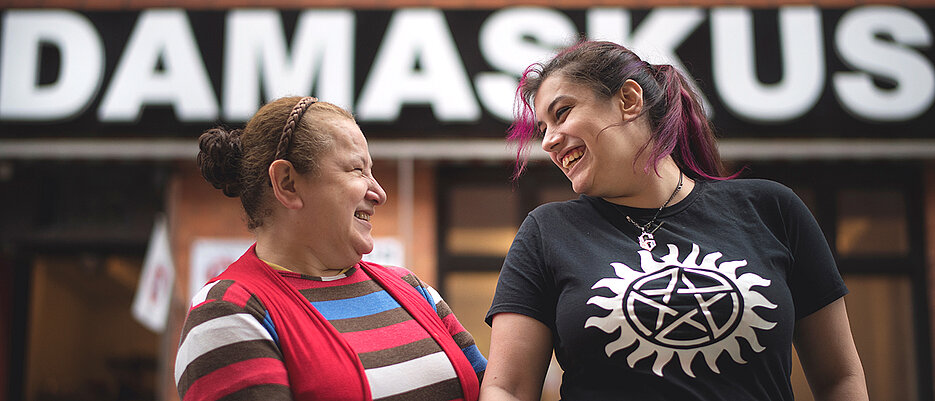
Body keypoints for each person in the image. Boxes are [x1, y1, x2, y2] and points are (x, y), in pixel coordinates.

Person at [480, 41, 867, 400]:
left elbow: (840, 378)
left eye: (562, 113)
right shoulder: (547, 232)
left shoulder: (771, 209)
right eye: (543, 129)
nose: (548, 141)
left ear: (629, 100)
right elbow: (506, 389)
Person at [175, 96, 486, 401]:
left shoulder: (411, 289)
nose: (379, 193)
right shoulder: (228, 310)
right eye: (357, 170)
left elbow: (492, 389)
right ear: (287, 183)